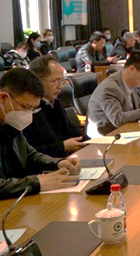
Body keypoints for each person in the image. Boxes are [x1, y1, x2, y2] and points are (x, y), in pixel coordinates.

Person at [0, 68, 81, 199]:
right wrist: (36, 183)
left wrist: (58, 163)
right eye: (25, 107)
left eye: (32, 109)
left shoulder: (9, 123)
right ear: (3, 98)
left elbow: (30, 154)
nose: (28, 115)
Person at [86, 51, 140, 137]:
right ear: (131, 69)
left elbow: (138, 105)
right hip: (106, 137)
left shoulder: (130, 82)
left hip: (125, 132)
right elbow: (117, 119)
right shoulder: (110, 88)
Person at [23, 55, 88, 157]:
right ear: (38, 80)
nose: (60, 86)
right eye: (55, 81)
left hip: (66, 158)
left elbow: (70, 128)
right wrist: (62, 147)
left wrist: (91, 142)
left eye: (62, 81)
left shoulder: (55, 102)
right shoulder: (27, 109)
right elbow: (29, 152)